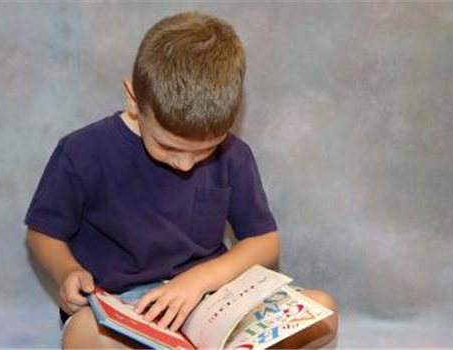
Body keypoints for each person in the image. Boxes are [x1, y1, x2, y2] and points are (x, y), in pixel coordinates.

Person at [25, 11, 338, 349]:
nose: (186, 164)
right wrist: (67, 272)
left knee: (322, 312)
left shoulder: (235, 155)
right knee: (85, 335)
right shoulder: (82, 151)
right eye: (169, 146)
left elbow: (264, 242)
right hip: (124, 308)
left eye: (206, 149)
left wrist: (199, 281)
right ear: (133, 99)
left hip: (212, 301)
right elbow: (43, 233)